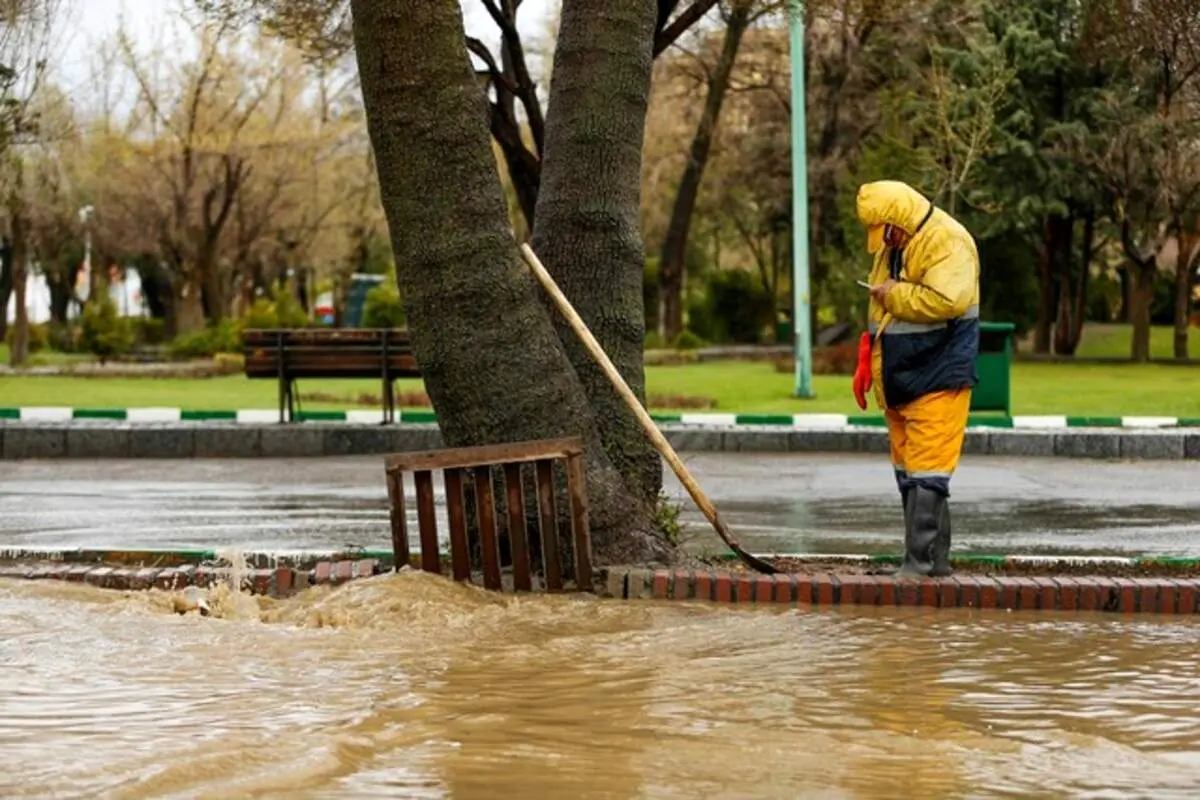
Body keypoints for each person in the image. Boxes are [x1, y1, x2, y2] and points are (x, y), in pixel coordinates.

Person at [851, 180, 980, 578]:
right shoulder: (893, 247)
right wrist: (868, 359)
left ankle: (918, 563)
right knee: (911, 471)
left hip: (938, 373)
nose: (885, 241)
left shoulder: (948, 240)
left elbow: (947, 300)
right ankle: (930, 562)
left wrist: (893, 294)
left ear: (900, 218)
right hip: (902, 375)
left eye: (887, 231)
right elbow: (881, 312)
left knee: (928, 471)